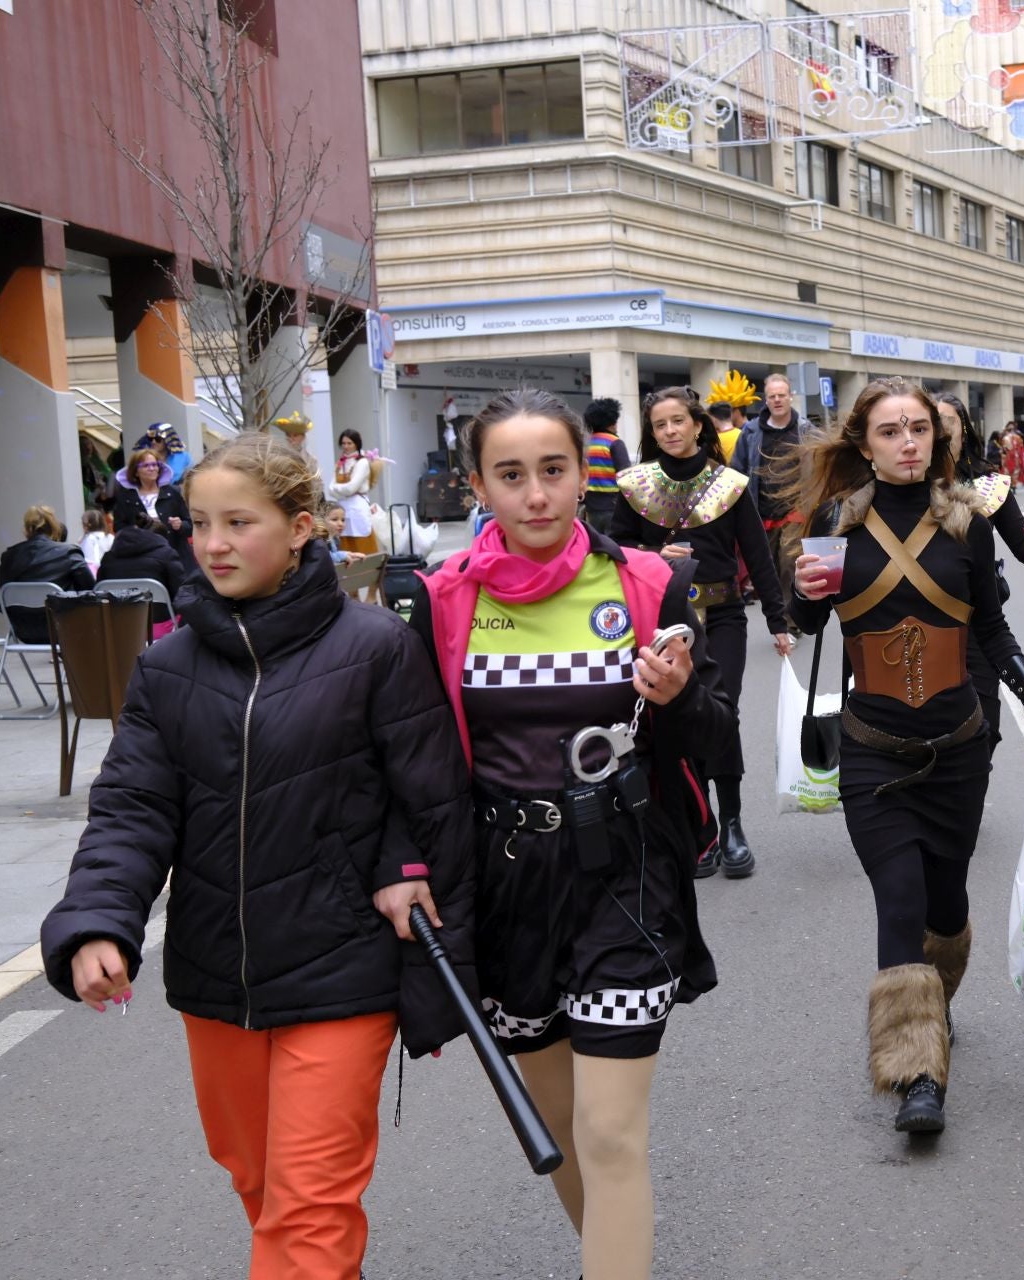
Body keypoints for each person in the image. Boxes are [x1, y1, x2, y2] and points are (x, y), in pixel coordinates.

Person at [39, 432, 477, 1280]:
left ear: (301, 527)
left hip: (342, 969)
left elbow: (429, 795)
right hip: (216, 977)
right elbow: (131, 808)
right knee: (262, 1185)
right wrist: (97, 921)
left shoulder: (375, 646)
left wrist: (406, 866)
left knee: (309, 1206)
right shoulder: (167, 666)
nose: (212, 544)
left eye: (239, 522)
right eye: (200, 523)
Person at [411, 387, 729, 1280]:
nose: (536, 494)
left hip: (626, 877)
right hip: (507, 887)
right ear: (479, 484)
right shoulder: (440, 604)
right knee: (560, 1135)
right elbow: (415, 761)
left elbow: (716, 741)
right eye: (511, 475)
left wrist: (680, 698)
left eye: (553, 471)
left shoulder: (646, 583)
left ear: (579, 475)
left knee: (611, 1131)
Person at [789, 377, 1024, 1135]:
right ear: (864, 445)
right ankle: (916, 1075)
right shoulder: (834, 521)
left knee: (946, 905)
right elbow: (805, 616)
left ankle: (933, 1009)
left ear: (936, 439)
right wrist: (804, 593)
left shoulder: (968, 524)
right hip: (872, 753)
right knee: (899, 898)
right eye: (889, 432)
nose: (908, 442)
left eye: (918, 430)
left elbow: (994, 632)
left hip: (958, 749)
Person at [613, 386, 794, 879]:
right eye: (659, 425)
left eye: (677, 421)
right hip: (665, 617)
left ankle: (733, 824)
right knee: (676, 718)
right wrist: (652, 557)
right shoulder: (635, 485)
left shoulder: (731, 483)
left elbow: (757, 554)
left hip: (725, 614)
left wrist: (778, 621)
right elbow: (616, 549)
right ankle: (703, 825)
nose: (669, 431)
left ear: (698, 425)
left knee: (722, 713)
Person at [935, 392, 1024, 754]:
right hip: (925, 625)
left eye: (948, 422)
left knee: (983, 732)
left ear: (964, 430)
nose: (940, 431)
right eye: (931, 423)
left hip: (977, 623)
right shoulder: (908, 487)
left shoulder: (990, 485)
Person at [729, 372, 818, 620]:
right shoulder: (749, 432)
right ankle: (780, 615)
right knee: (771, 569)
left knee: (791, 565)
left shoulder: (805, 430)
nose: (777, 400)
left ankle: (792, 620)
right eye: (772, 396)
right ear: (765, 401)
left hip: (795, 511)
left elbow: (821, 466)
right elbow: (737, 470)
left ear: (790, 397)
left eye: (782, 395)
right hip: (762, 511)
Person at [0, 506, 97, 643]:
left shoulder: (7, 557)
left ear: (27, 529)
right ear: (54, 527)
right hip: (64, 627)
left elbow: (4, 597)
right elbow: (91, 590)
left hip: (23, 630)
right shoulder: (69, 553)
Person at [97, 507, 188, 629]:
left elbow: (98, 594)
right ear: (161, 538)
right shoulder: (167, 554)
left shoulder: (108, 558)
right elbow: (182, 594)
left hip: (116, 627)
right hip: (158, 628)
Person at [111, 446, 193, 560]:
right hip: (143, 557)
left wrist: (180, 525)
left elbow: (190, 525)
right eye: (146, 465)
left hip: (176, 555)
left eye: (155, 465)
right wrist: (135, 530)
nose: (152, 468)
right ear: (136, 472)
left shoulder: (173, 492)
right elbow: (119, 528)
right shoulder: (126, 497)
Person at [583, 398, 633, 535]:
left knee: (597, 544)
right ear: (612, 422)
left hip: (591, 507)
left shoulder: (586, 444)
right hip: (613, 507)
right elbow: (627, 477)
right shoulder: (615, 443)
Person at [326, 429, 378, 556]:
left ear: (356, 444)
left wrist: (337, 489)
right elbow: (330, 488)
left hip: (357, 507)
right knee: (343, 541)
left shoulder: (362, 462)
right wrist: (342, 490)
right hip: (342, 507)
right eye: (343, 443)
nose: (346, 446)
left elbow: (352, 488)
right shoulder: (340, 463)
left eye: (349, 443)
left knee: (361, 539)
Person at [79, 508, 113, 576]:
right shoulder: (110, 537)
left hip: (94, 574)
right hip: (110, 572)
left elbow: (88, 560)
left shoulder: (88, 539)